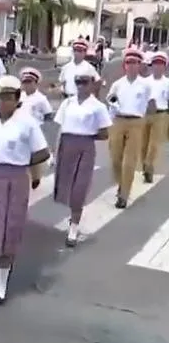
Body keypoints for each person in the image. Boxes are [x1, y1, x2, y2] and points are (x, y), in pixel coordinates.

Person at [0, 75, 50, 304]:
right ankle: (0, 269)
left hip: (15, 177)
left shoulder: (27, 123)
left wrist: (22, 161)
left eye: (8, 97)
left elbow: (43, 152)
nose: (3, 102)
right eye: (0, 97)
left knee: (9, 229)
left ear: (16, 99)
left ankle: (1, 282)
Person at [52, 65, 111, 246]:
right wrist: (55, 152)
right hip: (66, 144)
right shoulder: (67, 103)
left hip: (85, 146)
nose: (80, 86)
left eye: (84, 82)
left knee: (80, 187)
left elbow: (104, 133)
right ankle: (73, 215)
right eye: (77, 82)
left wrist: (87, 135)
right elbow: (60, 129)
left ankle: (74, 227)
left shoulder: (98, 107)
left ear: (92, 84)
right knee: (65, 186)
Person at [106, 48, 154, 208]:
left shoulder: (145, 85)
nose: (131, 65)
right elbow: (110, 100)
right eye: (128, 62)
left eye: (135, 62)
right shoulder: (117, 84)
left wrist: (151, 117)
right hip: (118, 121)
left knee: (129, 160)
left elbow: (151, 104)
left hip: (136, 122)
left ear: (140, 65)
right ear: (124, 65)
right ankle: (121, 183)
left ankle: (124, 194)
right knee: (115, 159)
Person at [18, 68, 54, 189]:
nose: (27, 85)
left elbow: (48, 115)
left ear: (36, 83)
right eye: (25, 82)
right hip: (20, 129)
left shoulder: (41, 98)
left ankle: (35, 177)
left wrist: (44, 128)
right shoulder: (19, 96)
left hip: (35, 129)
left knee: (34, 155)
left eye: (30, 82)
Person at [142, 51, 169, 183]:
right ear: (152, 66)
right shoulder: (144, 82)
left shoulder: (167, 83)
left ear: (165, 67)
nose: (158, 67)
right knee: (143, 144)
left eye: (161, 64)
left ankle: (149, 166)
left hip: (160, 115)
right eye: (156, 64)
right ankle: (145, 164)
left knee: (154, 144)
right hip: (145, 115)